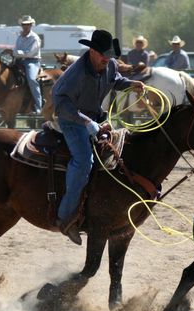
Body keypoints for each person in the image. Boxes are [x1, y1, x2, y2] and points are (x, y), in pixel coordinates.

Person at [52, 29, 145, 244]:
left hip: (95, 118)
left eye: (110, 55)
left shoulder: (109, 64)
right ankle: (65, 218)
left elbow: (115, 79)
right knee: (84, 161)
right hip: (72, 120)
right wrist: (88, 123)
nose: (108, 59)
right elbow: (61, 104)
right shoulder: (76, 74)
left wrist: (130, 84)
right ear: (93, 51)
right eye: (104, 54)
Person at [4, 15, 42, 115]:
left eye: (27, 25)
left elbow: (30, 52)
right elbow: (17, 49)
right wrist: (13, 53)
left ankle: (39, 106)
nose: (25, 26)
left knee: (32, 79)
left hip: (32, 61)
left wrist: (14, 53)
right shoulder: (20, 37)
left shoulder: (35, 38)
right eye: (24, 25)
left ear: (31, 25)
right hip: (20, 60)